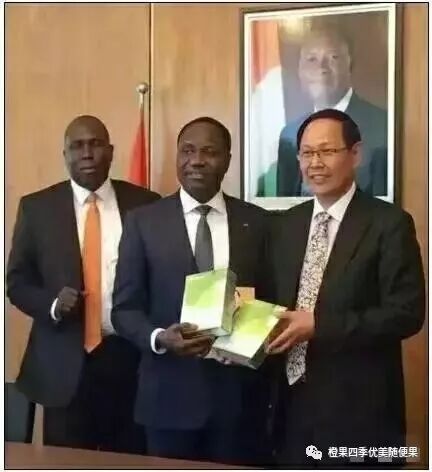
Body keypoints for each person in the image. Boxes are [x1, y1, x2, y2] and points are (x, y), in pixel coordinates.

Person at [265, 109, 424, 466]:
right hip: (290, 406)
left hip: (359, 411)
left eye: (327, 151)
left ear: (355, 154)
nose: (315, 163)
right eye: (307, 153)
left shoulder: (389, 224)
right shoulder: (286, 224)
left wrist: (319, 325)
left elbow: (406, 314)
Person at [111, 117, 273, 466]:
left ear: (227, 160)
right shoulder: (143, 222)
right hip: (168, 398)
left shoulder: (259, 222)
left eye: (209, 152)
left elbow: (272, 297)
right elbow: (124, 309)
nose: (196, 160)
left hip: (239, 400)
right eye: (187, 151)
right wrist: (159, 337)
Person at [7, 115, 160, 452]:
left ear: (111, 151)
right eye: (77, 146)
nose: (87, 153)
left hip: (130, 360)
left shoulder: (146, 204)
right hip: (63, 366)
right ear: (65, 155)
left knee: (131, 462)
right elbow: (17, 282)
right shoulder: (37, 208)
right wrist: (51, 304)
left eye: (95, 144)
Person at [253, 29, 387, 197]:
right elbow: (285, 203)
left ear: (350, 65)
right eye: (311, 59)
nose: (321, 68)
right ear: (299, 70)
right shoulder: (289, 133)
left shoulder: (382, 125)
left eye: (333, 58)